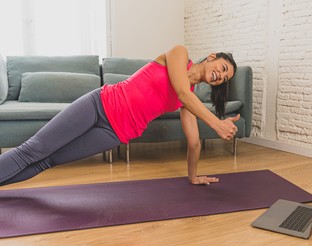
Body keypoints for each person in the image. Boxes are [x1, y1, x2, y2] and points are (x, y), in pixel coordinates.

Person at [0, 45, 239, 187]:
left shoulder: (190, 99)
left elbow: (194, 142)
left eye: (225, 77)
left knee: (47, 161)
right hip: (99, 104)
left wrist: (193, 177)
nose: (221, 75)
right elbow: (180, 91)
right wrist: (217, 123)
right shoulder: (179, 54)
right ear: (211, 57)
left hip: (114, 133)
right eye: (223, 67)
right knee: (34, 149)